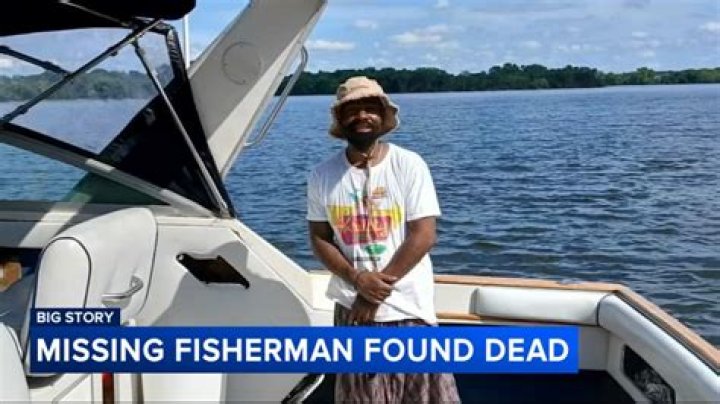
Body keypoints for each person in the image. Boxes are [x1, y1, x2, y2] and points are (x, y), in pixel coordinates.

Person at [307, 76, 460, 403]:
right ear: (340, 119)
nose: (362, 116)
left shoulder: (409, 164)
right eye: (352, 110)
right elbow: (320, 238)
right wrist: (357, 280)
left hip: (409, 310)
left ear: (383, 116)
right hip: (353, 313)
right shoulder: (322, 175)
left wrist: (374, 292)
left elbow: (424, 234)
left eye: (370, 108)